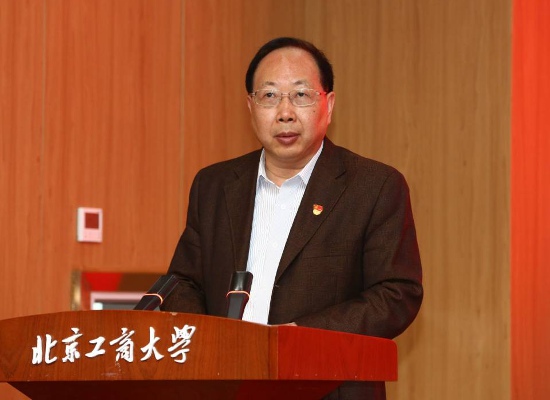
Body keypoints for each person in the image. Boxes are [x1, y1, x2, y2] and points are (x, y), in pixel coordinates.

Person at [161, 37, 423, 400]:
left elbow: (396, 294)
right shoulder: (215, 185)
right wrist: (213, 342)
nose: (285, 112)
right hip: (227, 386)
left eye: (301, 95)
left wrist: (299, 337)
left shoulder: (373, 186)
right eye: (269, 96)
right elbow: (182, 282)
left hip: (327, 388)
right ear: (250, 106)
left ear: (329, 104)